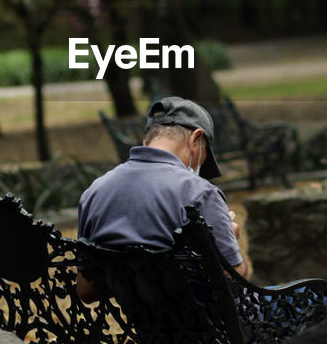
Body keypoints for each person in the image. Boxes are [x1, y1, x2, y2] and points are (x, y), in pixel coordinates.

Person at [75, 96, 245, 303]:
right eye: (205, 156)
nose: (200, 168)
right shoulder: (199, 192)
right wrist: (230, 237)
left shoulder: (94, 193)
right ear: (196, 139)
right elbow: (233, 282)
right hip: (215, 331)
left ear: (147, 142)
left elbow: (86, 290)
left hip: (150, 332)